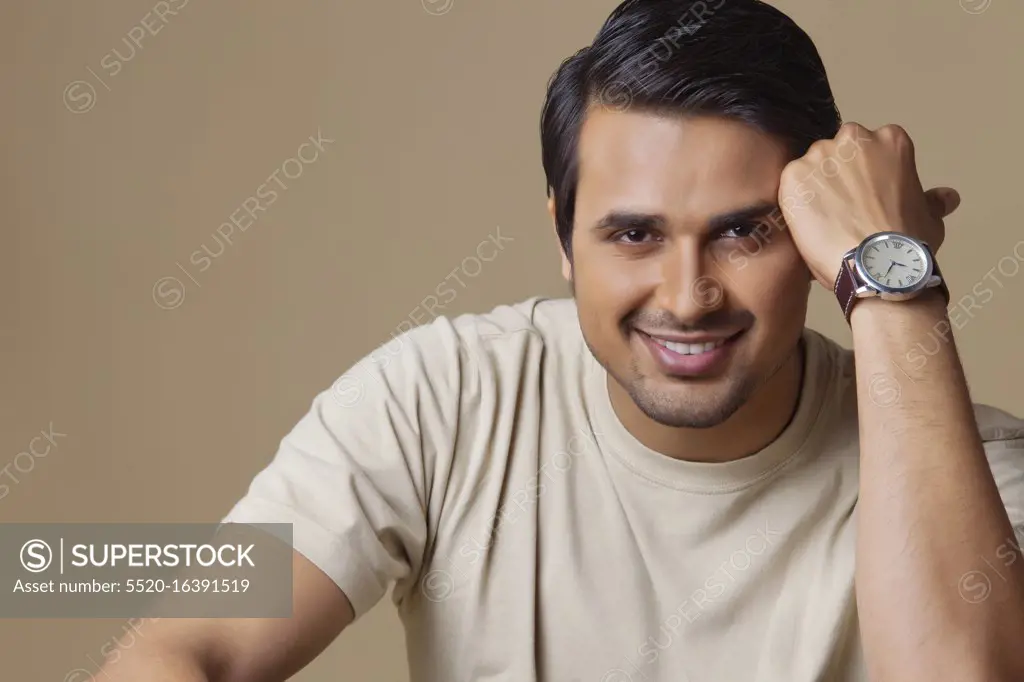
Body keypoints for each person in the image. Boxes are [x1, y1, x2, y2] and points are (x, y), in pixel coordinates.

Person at [102, 0, 1024, 680]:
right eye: (634, 234)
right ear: (561, 238)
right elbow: (191, 643)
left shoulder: (976, 472)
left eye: (747, 231)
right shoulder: (439, 397)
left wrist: (895, 287)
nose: (688, 295)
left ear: (822, 243)